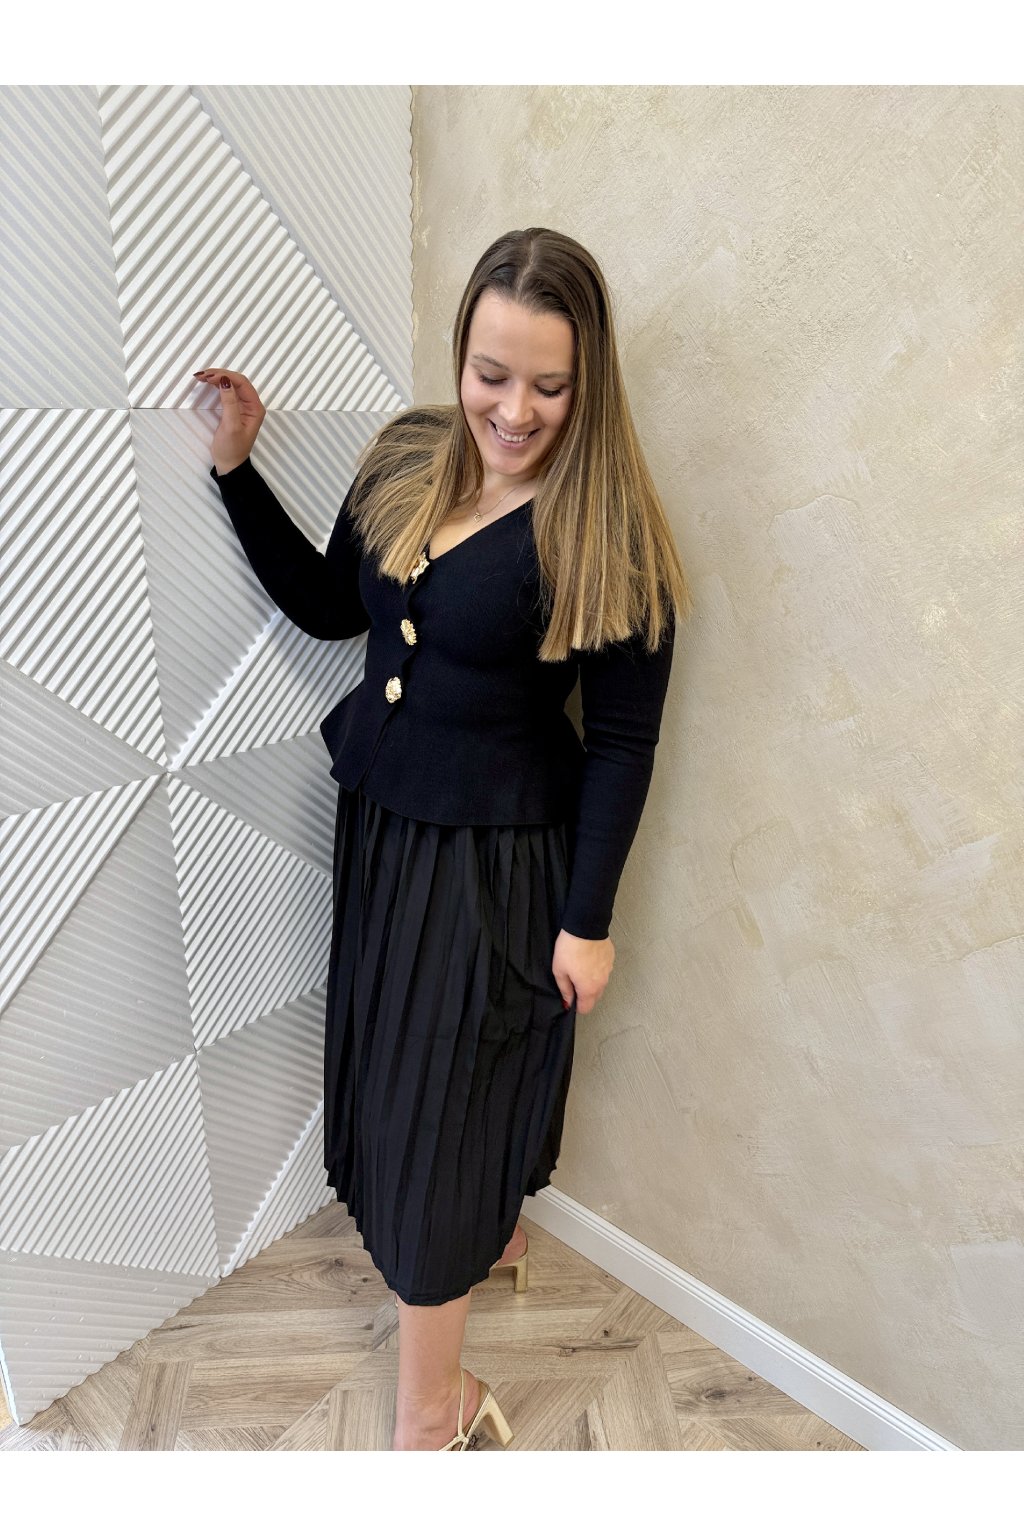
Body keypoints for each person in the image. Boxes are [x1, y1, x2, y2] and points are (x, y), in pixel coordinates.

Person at [197, 226, 691, 1451]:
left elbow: (622, 744)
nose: (513, 411)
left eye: (549, 385)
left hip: (497, 868)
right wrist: (237, 471)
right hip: (382, 828)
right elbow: (332, 606)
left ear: (589, 380)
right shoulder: (409, 455)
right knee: (412, 1081)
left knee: (444, 1104)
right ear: (460, 352)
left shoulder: (608, 533)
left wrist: (587, 923)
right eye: (490, 373)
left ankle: (431, 1411)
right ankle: (487, 1242)